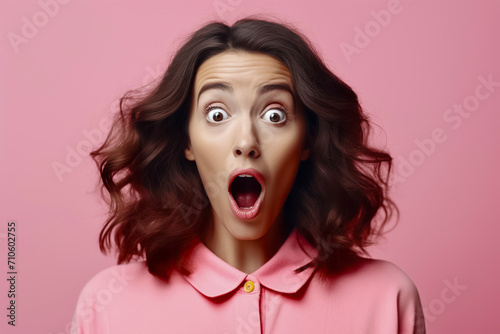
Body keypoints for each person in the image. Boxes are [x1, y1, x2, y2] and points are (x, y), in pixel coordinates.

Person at [71, 17, 426, 333]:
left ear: (306, 140)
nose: (246, 142)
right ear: (187, 141)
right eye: (216, 114)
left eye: (274, 115)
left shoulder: (386, 298)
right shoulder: (107, 307)